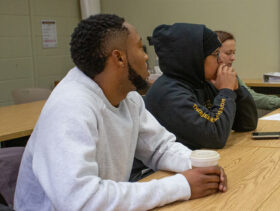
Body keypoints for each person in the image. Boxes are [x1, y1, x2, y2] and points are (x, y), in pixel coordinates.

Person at [14, 14, 227, 210]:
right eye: (141, 48)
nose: (146, 57)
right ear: (119, 58)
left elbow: (159, 148)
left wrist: (199, 165)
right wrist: (181, 186)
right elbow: (81, 201)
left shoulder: (128, 97)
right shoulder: (70, 107)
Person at [144, 23, 258, 150]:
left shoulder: (202, 83)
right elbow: (215, 137)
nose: (220, 60)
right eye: (216, 54)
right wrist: (226, 92)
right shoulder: (170, 93)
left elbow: (247, 124)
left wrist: (237, 90)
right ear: (195, 57)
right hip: (163, 169)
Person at [215, 30, 280, 110]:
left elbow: (251, 97)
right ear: (215, 53)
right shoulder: (204, 80)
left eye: (234, 53)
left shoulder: (229, 74)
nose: (233, 58)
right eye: (228, 53)